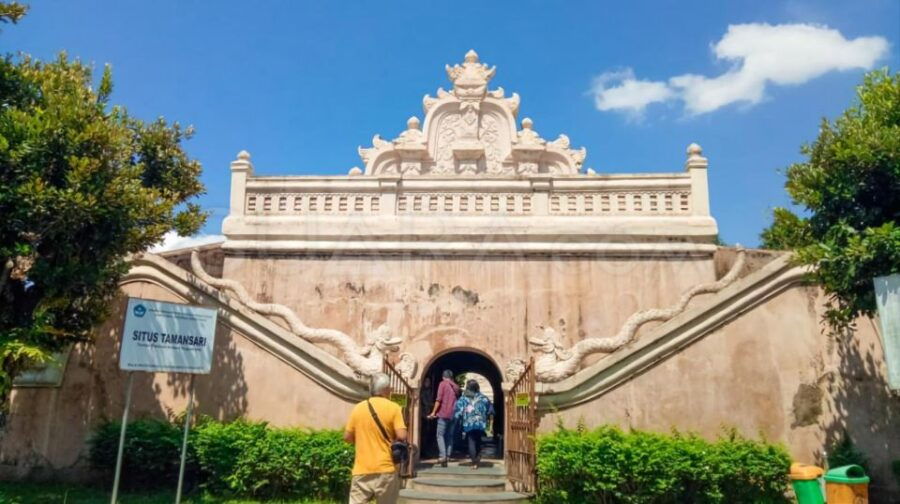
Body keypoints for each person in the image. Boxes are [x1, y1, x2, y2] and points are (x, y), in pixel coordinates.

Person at [344, 372, 407, 504]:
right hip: (386, 468)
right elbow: (402, 435)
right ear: (384, 390)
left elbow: (347, 437)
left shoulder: (358, 408)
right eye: (390, 388)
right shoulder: (394, 408)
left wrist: (363, 438)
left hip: (362, 469)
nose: (391, 390)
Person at [454, 379, 494, 469]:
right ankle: (478, 456)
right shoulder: (483, 397)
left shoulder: (464, 398)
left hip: (469, 423)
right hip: (480, 423)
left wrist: (457, 418)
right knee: (478, 440)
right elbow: (490, 409)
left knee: (471, 441)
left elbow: (457, 410)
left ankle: (474, 462)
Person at [426, 369, 459, 467]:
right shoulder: (456, 386)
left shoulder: (442, 384)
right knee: (449, 435)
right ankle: (448, 456)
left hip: (443, 414)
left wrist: (433, 412)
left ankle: (443, 456)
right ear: (451, 377)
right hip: (453, 414)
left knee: (440, 435)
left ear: (443, 377)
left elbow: (438, 399)